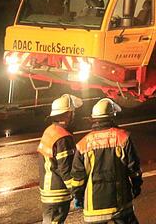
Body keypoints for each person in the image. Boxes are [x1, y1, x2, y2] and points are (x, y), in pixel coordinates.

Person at [72, 98, 143, 224]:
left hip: (93, 208)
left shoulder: (83, 144)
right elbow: (133, 167)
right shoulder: (123, 137)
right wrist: (136, 186)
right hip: (120, 204)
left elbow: (78, 178)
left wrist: (78, 196)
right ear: (112, 117)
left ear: (94, 119)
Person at [38, 94, 84, 224]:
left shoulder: (50, 130)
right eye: (73, 113)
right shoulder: (63, 137)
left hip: (47, 191)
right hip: (58, 193)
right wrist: (76, 191)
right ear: (68, 114)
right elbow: (65, 169)